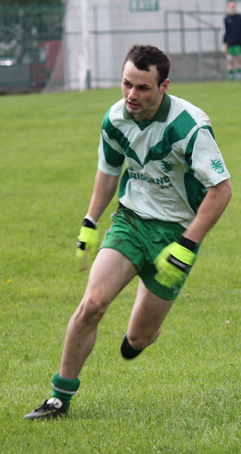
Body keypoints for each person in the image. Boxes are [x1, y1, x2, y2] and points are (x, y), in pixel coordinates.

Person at [24, 44, 231, 420]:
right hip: (130, 221)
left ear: (163, 86)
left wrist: (187, 244)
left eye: (142, 88)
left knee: (139, 338)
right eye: (126, 84)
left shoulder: (189, 126)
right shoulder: (116, 118)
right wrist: (90, 221)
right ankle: (59, 398)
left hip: (175, 235)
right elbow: (109, 171)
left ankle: (140, 334)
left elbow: (222, 190)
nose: (131, 95)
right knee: (92, 305)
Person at [222, 1, 241, 81]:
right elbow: (224, 31)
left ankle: (239, 76)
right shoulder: (226, 19)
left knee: (239, 60)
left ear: (235, 7)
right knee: (230, 61)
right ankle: (231, 78)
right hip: (230, 43)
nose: (232, 7)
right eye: (231, 6)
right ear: (229, 7)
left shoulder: (239, 17)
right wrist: (224, 42)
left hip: (239, 43)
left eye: (233, 6)